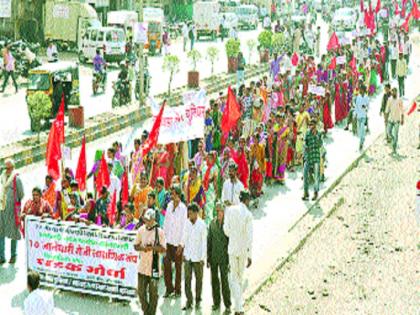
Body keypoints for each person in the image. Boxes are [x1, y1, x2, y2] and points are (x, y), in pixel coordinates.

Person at [223, 190, 253, 315]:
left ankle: (238, 306)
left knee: (234, 278)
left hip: (232, 248)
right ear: (247, 200)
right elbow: (249, 236)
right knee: (238, 278)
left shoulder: (230, 210)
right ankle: (239, 308)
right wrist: (250, 255)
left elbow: (226, 230)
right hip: (243, 250)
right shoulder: (248, 214)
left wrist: (233, 237)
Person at [134, 209, 166, 315]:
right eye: (145, 220)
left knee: (153, 293)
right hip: (142, 266)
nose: (147, 222)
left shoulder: (159, 232)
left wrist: (152, 247)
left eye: (149, 220)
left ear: (153, 220)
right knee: (141, 292)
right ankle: (146, 311)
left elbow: (163, 249)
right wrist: (143, 248)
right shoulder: (141, 230)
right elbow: (135, 245)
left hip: (154, 267)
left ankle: (151, 313)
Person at [179, 203, 207, 310]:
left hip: (198, 257)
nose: (189, 216)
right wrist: (181, 247)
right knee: (187, 280)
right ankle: (189, 301)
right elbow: (184, 236)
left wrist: (203, 258)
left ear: (196, 213)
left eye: (190, 214)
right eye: (188, 214)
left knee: (199, 280)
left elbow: (204, 242)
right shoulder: (187, 223)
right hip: (188, 256)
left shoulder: (202, 225)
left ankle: (198, 300)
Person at [163, 185, 187, 298]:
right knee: (166, 264)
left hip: (178, 243)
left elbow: (184, 228)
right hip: (168, 241)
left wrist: (181, 245)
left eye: (172, 194)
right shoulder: (169, 206)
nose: (171, 196)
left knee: (178, 268)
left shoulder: (183, 208)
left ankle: (178, 290)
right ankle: (169, 288)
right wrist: (163, 240)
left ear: (177, 195)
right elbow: (166, 224)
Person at [207, 202, 231, 313]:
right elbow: (209, 241)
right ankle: (216, 302)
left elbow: (230, 242)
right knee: (214, 281)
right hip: (213, 258)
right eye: (217, 211)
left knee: (224, 281)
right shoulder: (212, 224)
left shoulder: (228, 225)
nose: (218, 213)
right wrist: (208, 257)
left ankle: (227, 304)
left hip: (224, 258)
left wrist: (229, 259)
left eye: (220, 211)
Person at [0, 159, 24, 264]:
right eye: (6, 168)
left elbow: (21, 194)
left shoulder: (16, 179)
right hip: (2, 209)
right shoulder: (1, 178)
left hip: (13, 211)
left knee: (13, 232)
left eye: (9, 168)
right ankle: (1, 256)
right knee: (1, 232)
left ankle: (13, 255)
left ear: (13, 167)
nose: (7, 170)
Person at [302, 119, 323, 201]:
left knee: (316, 176)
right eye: (310, 125)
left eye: (313, 125)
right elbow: (304, 142)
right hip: (308, 157)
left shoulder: (319, 134)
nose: (311, 127)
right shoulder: (307, 133)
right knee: (305, 175)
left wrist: (316, 136)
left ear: (316, 126)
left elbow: (320, 144)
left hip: (316, 157)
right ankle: (306, 193)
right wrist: (305, 147)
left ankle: (315, 192)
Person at [385, 87, 404, 156]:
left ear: (397, 92)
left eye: (395, 91)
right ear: (391, 92)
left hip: (397, 120)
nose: (394, 93)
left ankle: (394, 148)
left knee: (396, 134)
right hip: (390, 119)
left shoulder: (399, 100)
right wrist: (386, 119)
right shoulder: (389, 100)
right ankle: (394, 141)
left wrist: (402, 119)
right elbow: (387, 109)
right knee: (389, 132)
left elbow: (402, 110)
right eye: (393, 91)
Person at [354, 85, 369, 151]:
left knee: (362, 128)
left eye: (361, 89)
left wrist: (365, 107)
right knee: (359, 130)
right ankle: (362, 138)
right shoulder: (358, 97)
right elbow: (356, 106)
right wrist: (355, 114)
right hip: (358, 116)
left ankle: (361, 143)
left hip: (363, 116)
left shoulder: (366, 98)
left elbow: (368, 107)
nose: (360, 90)